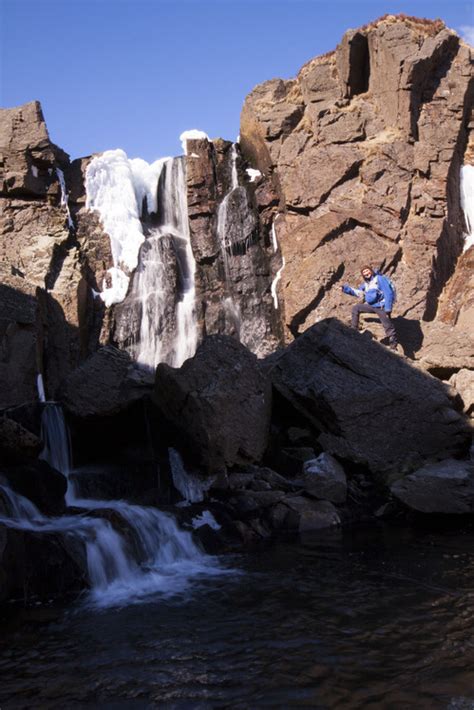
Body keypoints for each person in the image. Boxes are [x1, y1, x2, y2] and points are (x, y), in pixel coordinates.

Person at [341, 265, 398, 350]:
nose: (366, 273)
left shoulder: (379, 279)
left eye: (367, 271)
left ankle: (393, 344)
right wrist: (346, 289)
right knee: (356, 308)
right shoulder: (366, 284)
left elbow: (388, 292)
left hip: (381, 306)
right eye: (364, 273)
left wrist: (388, 308)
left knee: (387, 325)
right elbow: (359, 293)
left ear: (371, 271)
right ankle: (354, 329)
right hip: (372, 306)